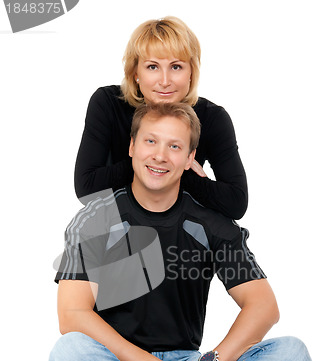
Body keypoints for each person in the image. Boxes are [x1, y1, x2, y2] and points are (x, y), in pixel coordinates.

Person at [49, 102, 312, 361]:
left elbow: (263, 306)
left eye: (174, 147)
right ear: (131, 147)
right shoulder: (96, 217)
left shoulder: (212, 222)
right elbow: (72, 315)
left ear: (190, 157)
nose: (159, 155)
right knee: (68, 353)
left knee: (292, 357)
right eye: (150, 141)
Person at [74, 16, 248, 219]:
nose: (165, 81)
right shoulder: (108, 103)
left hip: (180, 226)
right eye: (152, 67)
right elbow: (87, 189)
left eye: (176, 67)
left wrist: (180, 171)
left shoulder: (212, 118)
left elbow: (236, 203)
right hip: (119, 225)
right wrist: (161, 164)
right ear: (135, 73)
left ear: (191, 72)